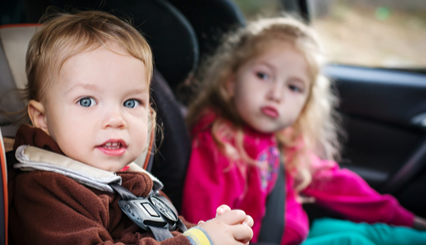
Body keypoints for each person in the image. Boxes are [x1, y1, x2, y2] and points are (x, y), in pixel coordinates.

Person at [8, 10, 254, 245]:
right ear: (42, 119)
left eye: (130, 102)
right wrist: (197, 241)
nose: (116, 119)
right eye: (86, 101)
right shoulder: (46, 189)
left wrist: (212, 231)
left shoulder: (137, 181)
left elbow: (166, 234)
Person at [180, 16, 426, 245]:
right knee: (357, 241)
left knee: (373, 233)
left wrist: (404, 218)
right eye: (263, 75)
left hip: (296, 232)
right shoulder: (220, 145)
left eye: (294, 87)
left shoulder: (282, 140)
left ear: (306, 103)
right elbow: (208, 226)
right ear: (231, 82)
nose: (275, 94)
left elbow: (339, 186)